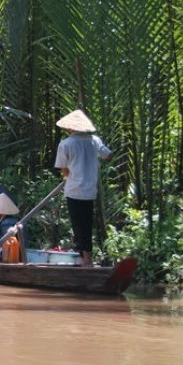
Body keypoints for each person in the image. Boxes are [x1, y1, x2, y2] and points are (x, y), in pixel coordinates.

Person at [54, 109, 112, 266]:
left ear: (71, 128)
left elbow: (63, 169)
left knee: (78, 225)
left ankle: (86, 260)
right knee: (86, 223)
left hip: (74, 190)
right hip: (90, 190)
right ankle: (84, 257)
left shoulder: (66, 144)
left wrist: (70, 174)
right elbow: (108, 155)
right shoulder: (94, 140)